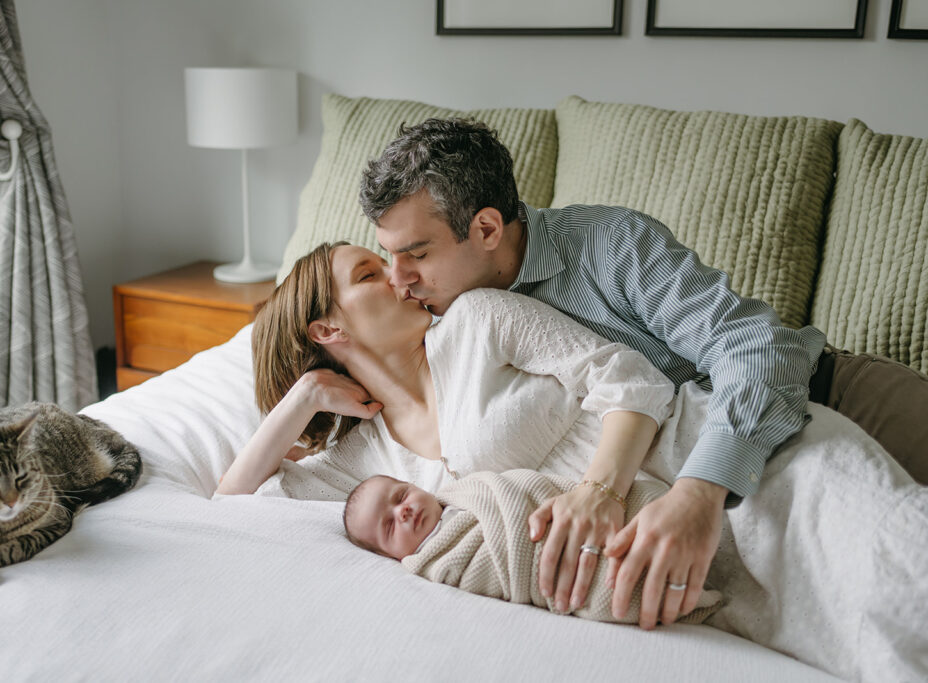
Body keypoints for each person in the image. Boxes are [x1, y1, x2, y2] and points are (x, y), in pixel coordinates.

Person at [217, 243, 927, 679]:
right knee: (875, 645)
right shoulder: (372, 453)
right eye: (371, 274)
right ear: (327, 327)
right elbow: (231, 503)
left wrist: (601, 492)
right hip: (679, 562)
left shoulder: (476, 318)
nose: (402, 279)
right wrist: (306, 396)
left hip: (722, 455)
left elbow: (635, 379)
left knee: (906, 579)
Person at [355, 117, 928, 630]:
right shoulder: (443, 321)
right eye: (387, 257)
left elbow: (755, 349)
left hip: (829, 394)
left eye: (418, 254)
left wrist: (696, 495)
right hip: (750, 480)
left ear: (485, 230)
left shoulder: (609, 245)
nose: (397, 280)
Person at [341, 471, 722, 626]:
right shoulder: (436, 563)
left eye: (400, 495)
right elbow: (490, 572)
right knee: (612, 584)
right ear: (392, 557)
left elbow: (526, 488)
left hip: (572, 512)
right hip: (547, 564)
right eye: (390, 525)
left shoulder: (471, 487)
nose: (403, 511)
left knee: (643, 503)